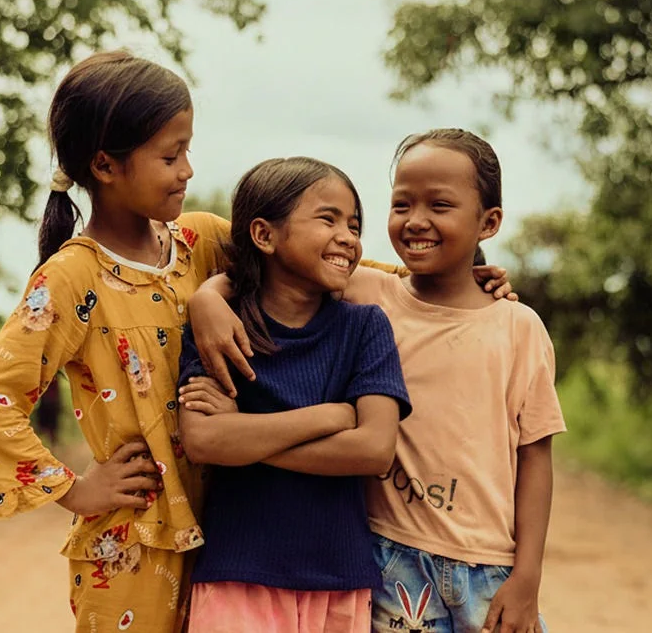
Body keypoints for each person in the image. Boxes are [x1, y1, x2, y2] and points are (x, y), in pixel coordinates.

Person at [189, 129, 564, 633]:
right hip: (390, 556)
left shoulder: (519, 327)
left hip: (488, 563)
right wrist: (208, 298)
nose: (416, 221)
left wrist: (528, 575)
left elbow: (535, 455)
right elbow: (269, 263)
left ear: (489, 222)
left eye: (440, 205)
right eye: (402, 204)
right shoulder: (367, 292)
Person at [0, 50, 240, 633]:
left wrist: (438, 279)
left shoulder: (200, 242)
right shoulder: (71, 276)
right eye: (170, 155)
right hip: (129, 548)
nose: (187, 169)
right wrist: (76, 490)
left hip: (230, 531)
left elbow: (303, 262)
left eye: (187, 149)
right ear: (105, 167)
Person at [175, 156, 411, 633]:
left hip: (340, 581)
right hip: (237, 575)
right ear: (264, 235)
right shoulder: (220, 327)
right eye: (328, 218)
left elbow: (373, 448)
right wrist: (331, 415)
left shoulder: (365, 327)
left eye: (354, 224)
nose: (349, 236)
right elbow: (203, 442)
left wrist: (243, 439)